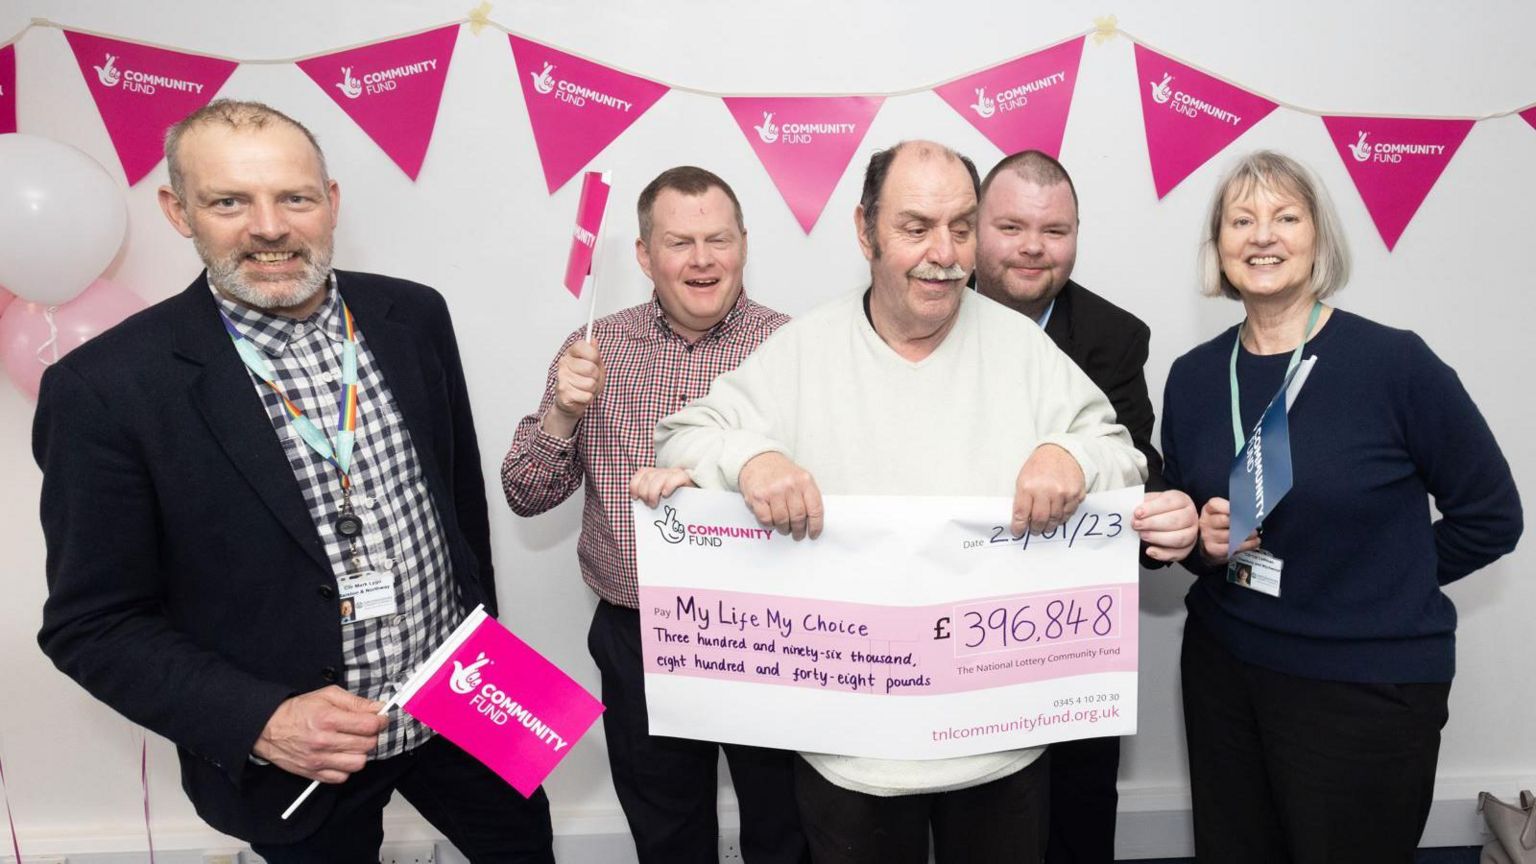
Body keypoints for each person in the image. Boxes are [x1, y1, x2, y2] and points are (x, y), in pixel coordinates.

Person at [33, 100, 554, 862]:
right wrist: (261, 720)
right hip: (300, 757)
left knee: (525, 847)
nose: (269, 227)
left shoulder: (413, 314)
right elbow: (92, 624)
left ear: (331, 202)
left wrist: (482, 641)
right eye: (229, 201)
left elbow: (459, 511)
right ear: (179, 211)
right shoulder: (105, 387)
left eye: (295, 197)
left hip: (461, 704)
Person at [655, 140, 1151, 864]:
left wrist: (1069, 454)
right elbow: (682, 439)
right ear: (866, 231)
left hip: (1000, 744)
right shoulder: (803, 350)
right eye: (915, 227)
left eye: (959, 227)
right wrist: (750, 458)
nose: (942, 253)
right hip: (851, 749)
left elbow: (1124, 458)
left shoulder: (1024, 349)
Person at [1160, 150, 1522, 863]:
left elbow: (1493, 517)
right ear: (1220, 248)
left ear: (1319, 238)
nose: (1263, 236)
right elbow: (1203, 538)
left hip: (1364, 686)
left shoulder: (1395, 365)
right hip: (1225, 674)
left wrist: (1377, 581)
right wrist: (1205, 541)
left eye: (1286, 217)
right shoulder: (1195, 378)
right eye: (1242, 220)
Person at [502, 166, 806, 864]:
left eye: (717, 239)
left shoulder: (795, 348)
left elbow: (839, 484)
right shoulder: (592, 351)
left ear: (743, 245)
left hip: (771, 632)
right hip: (639, 637)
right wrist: (563, 412)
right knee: (668, 833)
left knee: (785, 826)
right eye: (679, 242)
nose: (702, 259)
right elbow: (526, 495)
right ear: (644, 255)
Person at [974, 149, 1197, 864]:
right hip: (950, 632)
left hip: (1069, 638)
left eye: (1055, 230)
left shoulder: (1113, 335)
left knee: (1076, 816)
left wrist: (1163, 517)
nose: (1034, 247)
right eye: (1011, 226)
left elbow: (1136, 461)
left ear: (1077, 235)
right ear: (973, 228)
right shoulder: (924, 308)